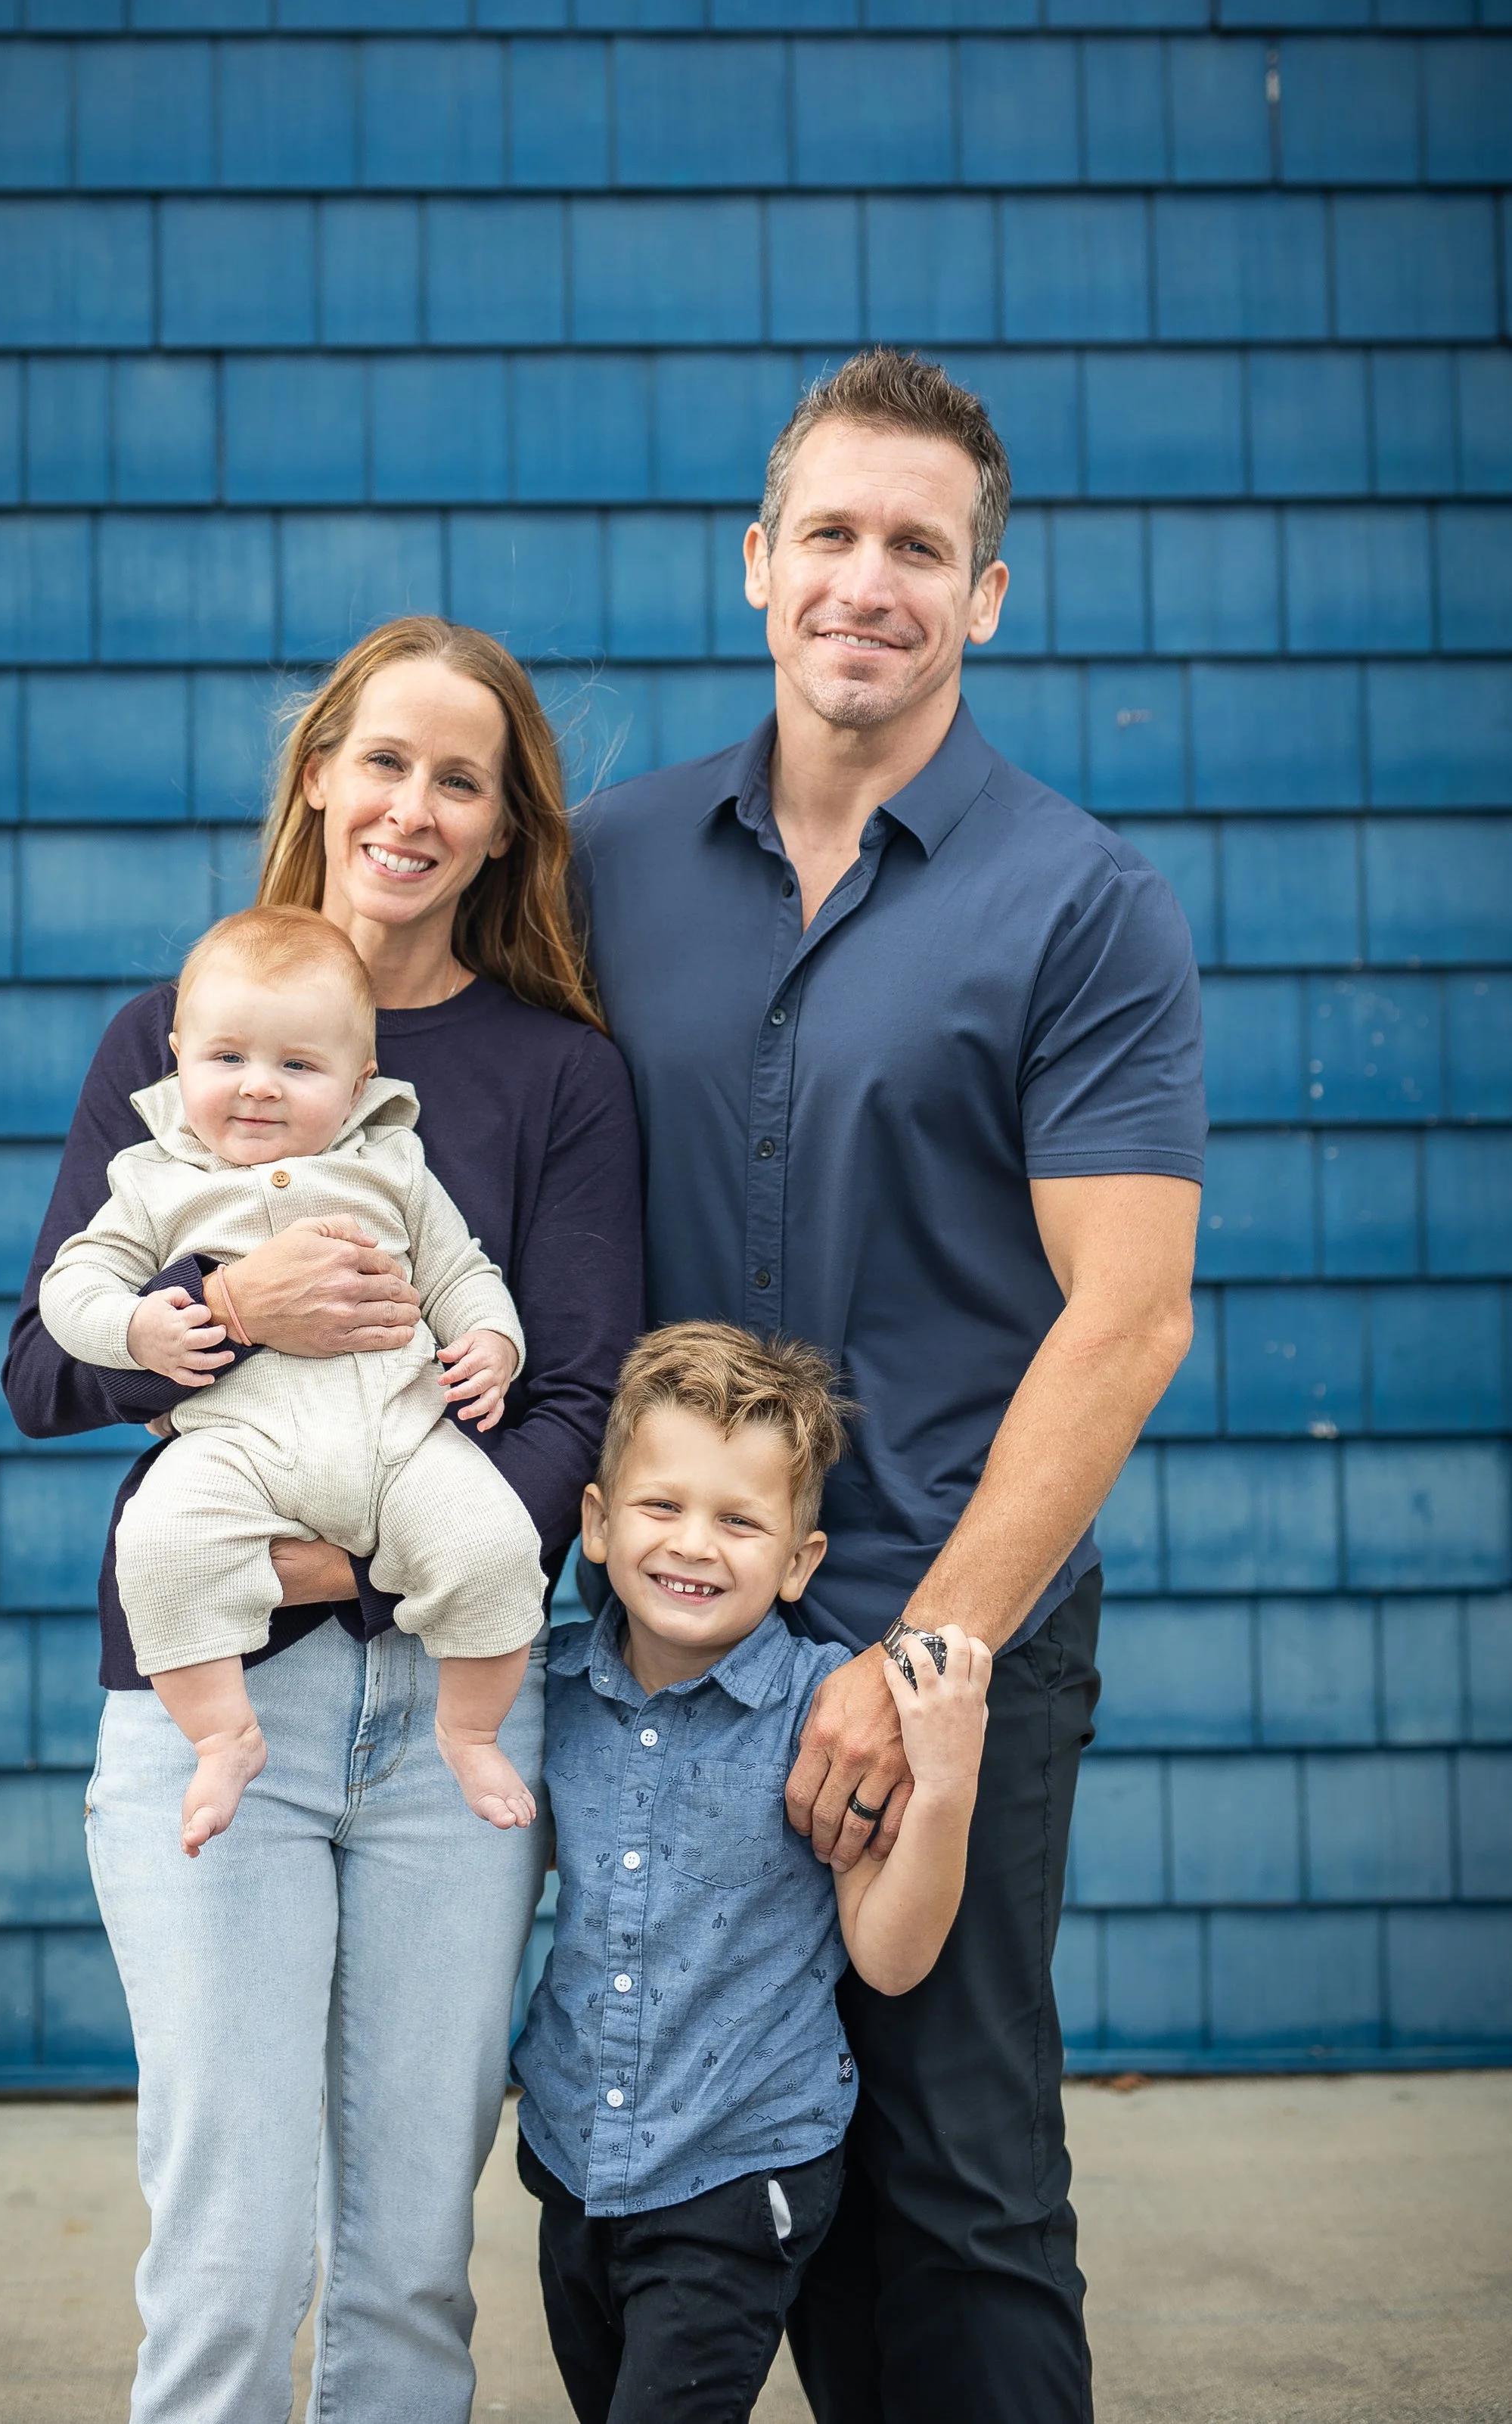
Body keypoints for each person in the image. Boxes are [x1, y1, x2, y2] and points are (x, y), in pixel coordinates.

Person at [574, 349, 1206, 2424]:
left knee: (949, 2184)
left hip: (956, 1618)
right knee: (672, 2176)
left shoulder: (1077, 899)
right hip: (665, 1632)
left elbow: (1121, 1315)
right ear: (754, 562)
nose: (869, 580)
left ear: (986, 594)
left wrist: (914, 1650)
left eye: (917, 546)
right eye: (828, 533)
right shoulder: (606, 864)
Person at [4, 617, 642, 2424]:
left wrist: (359, 1560)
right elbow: (44, 1366)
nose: (413, 806)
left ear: (508, 825)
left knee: (407, 2262)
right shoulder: (173, 1031)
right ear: (318, 774)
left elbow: (577, 1395)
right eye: (382, 760)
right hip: (223, 1706)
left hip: (458, 1722)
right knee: (229, 2241)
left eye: (462, 777)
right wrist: (227, 1303)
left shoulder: (557, 1075)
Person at [514, 1322, 992, 2424]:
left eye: (739, 1519)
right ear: (595, 1523)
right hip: (575, 2154)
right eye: (661, 1505)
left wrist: (949, 1784)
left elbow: (890, 1952)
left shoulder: (827, 1716)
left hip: (741, 2167)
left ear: (797, 1562)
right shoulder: (548, 1694)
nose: (695, 1544)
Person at [39, 903, 543, 1851]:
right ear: (178, 1053)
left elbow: (460, 1268)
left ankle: (469, 1731)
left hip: (402, 1442)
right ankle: (222, 1734)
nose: (258, 1089)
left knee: (495, 1546)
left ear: (359, 1084)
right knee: (158, 1547)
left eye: (298, 1067)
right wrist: (141, 1326)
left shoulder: (392, 1168)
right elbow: (73, 1287)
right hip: (238, 1446)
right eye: (227, 1059)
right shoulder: (150, 1178)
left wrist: (491, 1340)